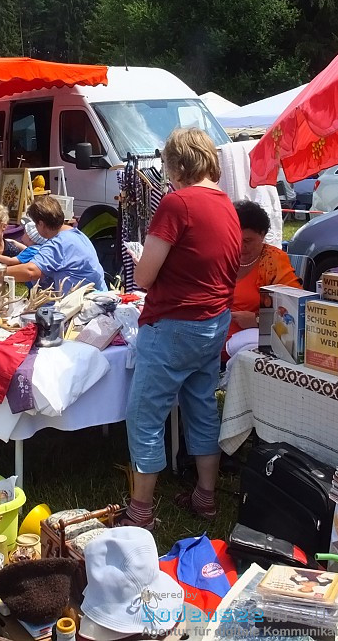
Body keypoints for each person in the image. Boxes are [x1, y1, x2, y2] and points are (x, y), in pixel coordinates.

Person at [120, 127, 240, 528]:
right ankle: (205, 497)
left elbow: (144, 276)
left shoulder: (177, 203)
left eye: (168, 166)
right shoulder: (226, 204)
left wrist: (141, 261)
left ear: (177, 164)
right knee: (201, 407)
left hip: (174, 324)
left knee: (145, 416)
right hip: (212, 322)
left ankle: (140, 513)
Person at [5, 195, 106, 292]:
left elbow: (31, 271)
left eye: (36, 224)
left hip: (84, 304)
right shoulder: (77, 234)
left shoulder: (59, 243)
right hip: (98, 296)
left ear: (41, 224)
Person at [229, 200, 299, 335]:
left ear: (262, 234)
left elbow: (294, 309)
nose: (241, 247)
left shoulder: (273, 260)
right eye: (235, 240)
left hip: (249, 340)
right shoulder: (221, 255)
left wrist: (257, 320)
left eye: (247, 241)